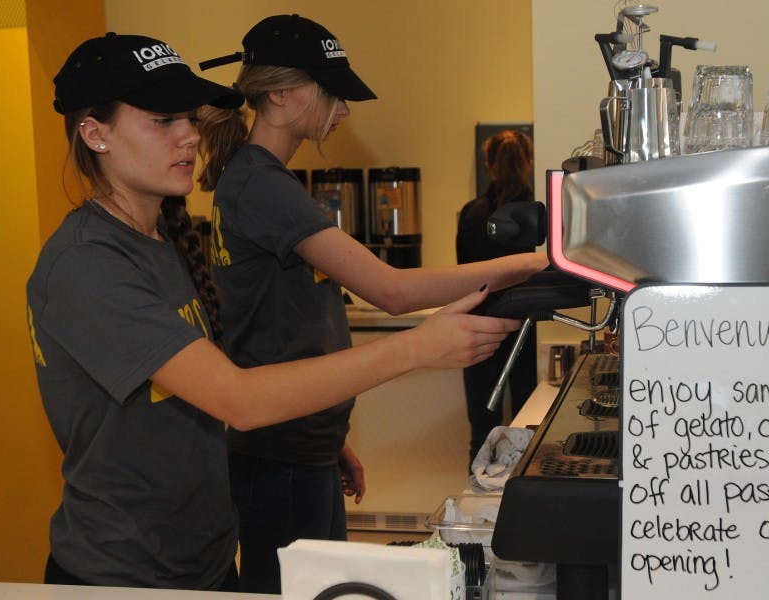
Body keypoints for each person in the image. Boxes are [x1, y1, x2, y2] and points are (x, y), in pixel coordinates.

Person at [27, 31, 529, 591]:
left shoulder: (159, 240)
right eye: (163, 121)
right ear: (95, 134)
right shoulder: (86, 265)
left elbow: (208, 372)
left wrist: (321, 430)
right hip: (124, 575)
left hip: (204, 560)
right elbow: (236, 399)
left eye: (189, 118)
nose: (190, 135)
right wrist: (416, 346)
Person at [196, 14, 548, 594]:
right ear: (281, 93)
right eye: (332, 93)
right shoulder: (261, 184)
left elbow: (286, 323)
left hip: (301, 442)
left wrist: (331, 434)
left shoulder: (259, 180)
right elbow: (392, 291)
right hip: (280, 451)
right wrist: (528, 263)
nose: (344, 110)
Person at [456, 130, 539, 464]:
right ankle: (521, 505)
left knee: (482, 434)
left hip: (478, 329)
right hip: (525, 329)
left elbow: (462, 277)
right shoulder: (537, 215)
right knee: (526, 427)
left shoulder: (472, 213)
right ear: (528, 163)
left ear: (489, 165)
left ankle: (476, 509)